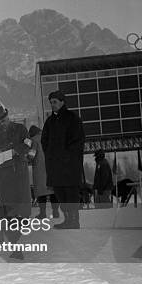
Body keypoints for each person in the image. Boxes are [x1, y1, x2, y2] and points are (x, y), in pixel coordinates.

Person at [41, 91, 85, 229]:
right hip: (55, 166)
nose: (52, 105)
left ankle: (74, 220)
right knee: (60, 192)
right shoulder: (50, 121)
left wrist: (67, 156)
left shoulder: (73, 118)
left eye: (54, 102)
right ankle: (67, 219)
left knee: (71, 192)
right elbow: (44, 140)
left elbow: (78, 141)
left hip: (69, 165)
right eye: (51, 102)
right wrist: (49, 154)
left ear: (62, 102)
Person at [0, 106, 32, 220]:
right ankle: (8, 218)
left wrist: (16, 151)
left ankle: (23, 218)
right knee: (6, 196)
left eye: (3, 120)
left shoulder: (20, 129)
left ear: (8, 116)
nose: (2, 124)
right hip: (3, 171)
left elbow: (28, 143)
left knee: (21, 194)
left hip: (18, 167)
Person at [28, 125, 59, 219]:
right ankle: (56, 212)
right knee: (53, 192)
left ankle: (42, 213)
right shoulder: (48, 137)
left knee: (41, 193)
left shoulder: (34, 140)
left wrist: (27, 158)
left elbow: (32, 155)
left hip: (40, 170)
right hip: (51, 168)